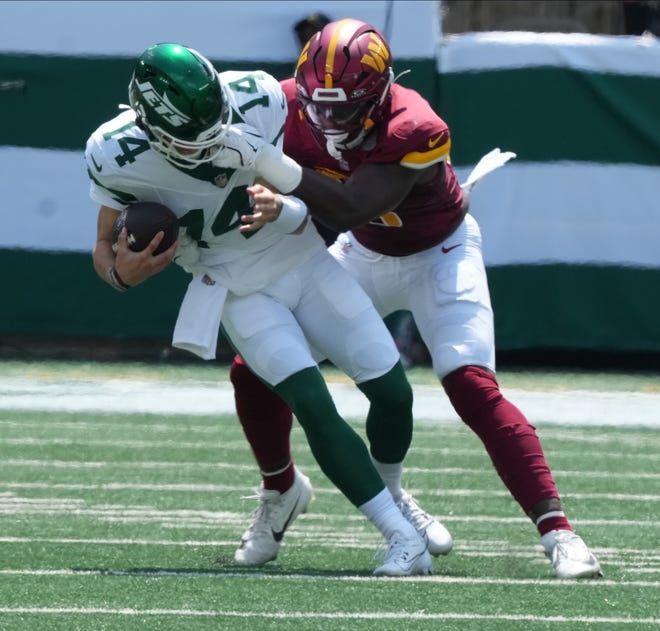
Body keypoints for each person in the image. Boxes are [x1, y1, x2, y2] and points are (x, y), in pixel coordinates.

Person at [218, 18, 603, 579]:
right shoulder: (286, 101)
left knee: (471, 386)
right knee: (253, 367)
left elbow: (349, 207)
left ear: (377, 96)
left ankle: (559, 534)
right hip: (365, 253)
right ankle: (280, 490)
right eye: (316, 105)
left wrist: (277, 167)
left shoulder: (415, 125)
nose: (325, 120)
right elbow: (215, 110)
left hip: (439, 254)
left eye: (343, 109)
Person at [84, 41, 453, 576]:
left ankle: (394, 495)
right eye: (192, 141)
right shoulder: (112, 153)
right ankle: (400, 539)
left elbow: (319, 175)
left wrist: (286, 204)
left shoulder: (256, 96)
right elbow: (103, 249)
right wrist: (121, 273)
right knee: (313, 403)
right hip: (237, 287)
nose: (207, 148)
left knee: (393, 392)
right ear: (149, 126)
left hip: (303, 259)